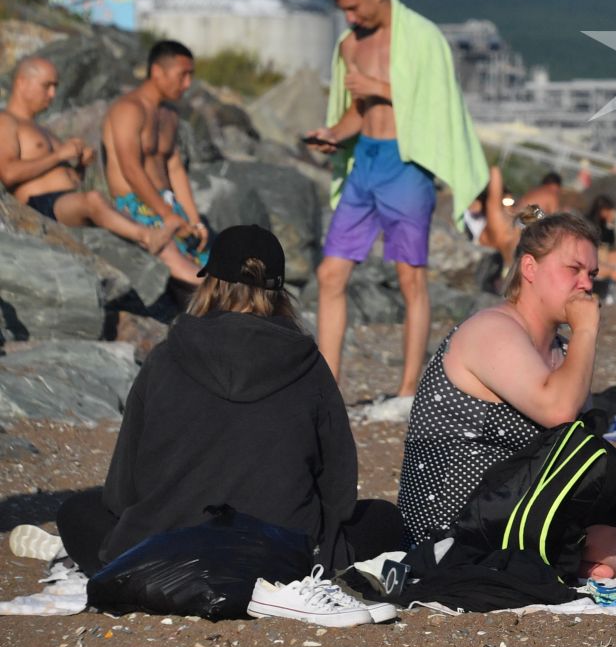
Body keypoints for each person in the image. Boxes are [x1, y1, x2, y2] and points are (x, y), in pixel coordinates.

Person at [53, 226, 407, 588]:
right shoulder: (308, 364)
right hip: (280, 559)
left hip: (166, 553)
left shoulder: (166, 357)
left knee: (78, 511)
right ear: (280, 292)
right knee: (384, 519)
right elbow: (339, 489)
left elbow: (121, 491)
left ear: (210, 284)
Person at [396, 208, 616, 550]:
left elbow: (576, 446)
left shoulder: (562, 350)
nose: (586, 284)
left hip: (530, 500)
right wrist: (586, 329)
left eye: (592, 273)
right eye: (573, 269)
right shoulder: (491, 330)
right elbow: (558, 411)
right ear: (530, 268)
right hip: (457, 519)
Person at [304, 0, 488, 398]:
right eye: (342, 11)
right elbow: (356, 111)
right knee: (331, 274)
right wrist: (333, 135)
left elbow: (438, 102)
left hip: (406, 165)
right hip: (365, 161)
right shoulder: (350, 45)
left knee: (411, 278)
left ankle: (407, 392)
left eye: (354, 7)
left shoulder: (421, 37)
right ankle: (329, 390)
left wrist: (380, 88)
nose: (349, 18)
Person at [1, 58, 204, 281]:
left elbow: (61, 177)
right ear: (22, 82)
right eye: (46, 86)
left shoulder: (41, 128)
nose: (52, 95)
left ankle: (201, 282)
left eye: (55, 87)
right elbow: (8, 173)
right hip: (38, 207)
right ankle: (147, 236)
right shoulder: (6, 121)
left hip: (68, 203)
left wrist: (79, 167)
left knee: (163, 243)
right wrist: (59, 155)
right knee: (96, 199)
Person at [102, 40, 211, 276]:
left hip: (169, 205)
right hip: (137, 204)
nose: (187, 83)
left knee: (214, 264)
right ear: (157, 72)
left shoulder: (169, 115)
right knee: (191, 271)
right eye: (182, 75)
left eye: (190, 76)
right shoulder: (129, 109)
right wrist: (168, 216)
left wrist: (195, 220)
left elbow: (175, 169)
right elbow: (130, 169)